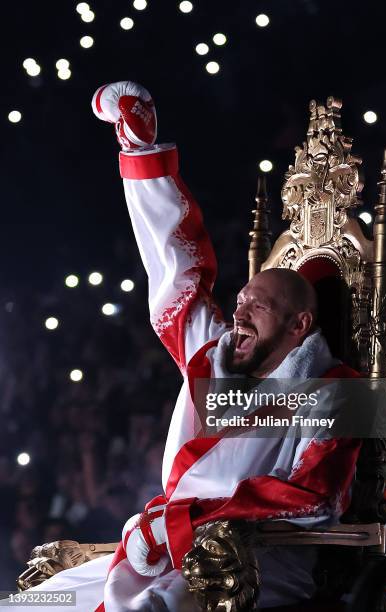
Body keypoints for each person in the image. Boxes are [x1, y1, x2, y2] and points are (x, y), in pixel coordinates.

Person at [13, 82, 362, 611]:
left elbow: (317, 496)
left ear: (300, 324)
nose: (238, 313)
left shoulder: (337, 390)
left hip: (262, 558)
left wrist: (184, 520)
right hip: (169, 546)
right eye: (240, 301)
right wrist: (141, 153)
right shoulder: (213, 356)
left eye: (257, 306)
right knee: (36, 602)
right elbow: (176, 279)